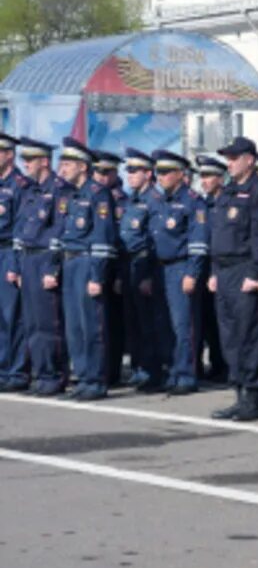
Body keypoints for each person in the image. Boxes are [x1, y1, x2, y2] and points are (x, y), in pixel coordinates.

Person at [208, 138, 258, 422]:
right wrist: (213, 271)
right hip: (223, 271)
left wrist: (255, 274)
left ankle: (253, 397)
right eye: (228, 158)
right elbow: (218, 236)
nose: (229, 163)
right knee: (229, 338)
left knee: (249, 336)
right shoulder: (227, 191)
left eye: (234, 158)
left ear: (250, 160)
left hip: (244, 269)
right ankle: (238, 393)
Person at [56, 139, 116, 400]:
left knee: (91, 325)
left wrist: (96, 275)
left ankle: (95, 380)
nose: (63, 168)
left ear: (83, 166)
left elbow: (103, 237)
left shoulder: (97, 193)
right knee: (74, 327)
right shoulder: (71, 194)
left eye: (68, 163)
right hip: (70, 262)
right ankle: (82, 377)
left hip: (87, 263)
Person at [12, 137, 72, 395]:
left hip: (45, 259)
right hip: (28, 258)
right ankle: (41, 373)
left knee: (49, 324)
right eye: (23, 160)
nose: (24, 164)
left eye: (30, 160)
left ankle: (54, 375)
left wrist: (51, 269)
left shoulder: (59, 190)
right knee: (32, 323)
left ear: (44, 161)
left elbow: (59, 231)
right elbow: (22, 228)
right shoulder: (30, 191)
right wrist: (17, 265)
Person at [150, 150, 210, 395]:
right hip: (160, 267)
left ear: (180, 174)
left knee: (183, 326)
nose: (161, 177)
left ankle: (187, 375)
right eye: (159, 172)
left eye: (165, 172)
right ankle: (173, 371)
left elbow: (198, 241)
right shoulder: (159, 201)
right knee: (164, 325)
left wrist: (192, 273)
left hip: (180, 267)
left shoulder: (193, 201)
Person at [119, 149, 168, 392]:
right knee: (134, 322)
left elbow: (154, 240)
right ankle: (141, 368)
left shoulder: (154, 200)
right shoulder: (133, 199)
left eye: (134, 170)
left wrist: (148, 275)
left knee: (149, 322)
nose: (129, 175)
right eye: (127, 170)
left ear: (148, 173)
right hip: (130, 264)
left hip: (145, 264)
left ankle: (154, 371)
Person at [91, 150, 128, 387]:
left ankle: (112, 371)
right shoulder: (95, 197)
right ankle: (101, 369)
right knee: (96, 321)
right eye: (98, 171)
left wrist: (121, 275)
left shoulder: (122, 200)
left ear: (115, 173)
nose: (102, 176)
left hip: (117, 266)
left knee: (113, 322)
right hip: (98, 264)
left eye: (106, 172)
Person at [0, 133, 29, 392]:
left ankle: (16, 370)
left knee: (13, 316)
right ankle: (2, 367)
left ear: (9, 155)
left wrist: (16, 264)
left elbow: (22, 227)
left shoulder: (20, 185)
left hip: (9, 251)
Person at [196, 154, 229, 383]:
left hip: (224, 267)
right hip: (206, 267)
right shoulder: (203, 204)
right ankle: (216, 364)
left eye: (209, 176)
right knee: (208, 320)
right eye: (202, 176)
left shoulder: (228, 201)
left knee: (225, 321)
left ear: (220, 178)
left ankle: (227, 366)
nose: (204, 181)